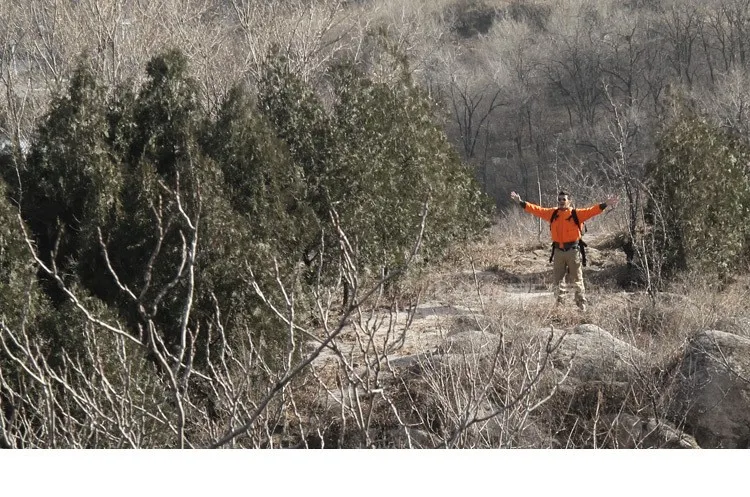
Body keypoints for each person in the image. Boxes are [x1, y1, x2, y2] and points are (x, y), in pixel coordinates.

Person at [510, 190, 619, 311]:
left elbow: (593, 211)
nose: (561, 202)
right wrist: (520, 202)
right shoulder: (552, 213)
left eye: (564, 199)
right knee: (558, 281)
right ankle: (559, 306)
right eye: (559, 199)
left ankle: (582, 306)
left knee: (578, 280)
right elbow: (536, 210)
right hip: (558, 251)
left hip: (573, 251)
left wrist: (605, 204)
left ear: (569, 201)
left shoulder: (576, 214)